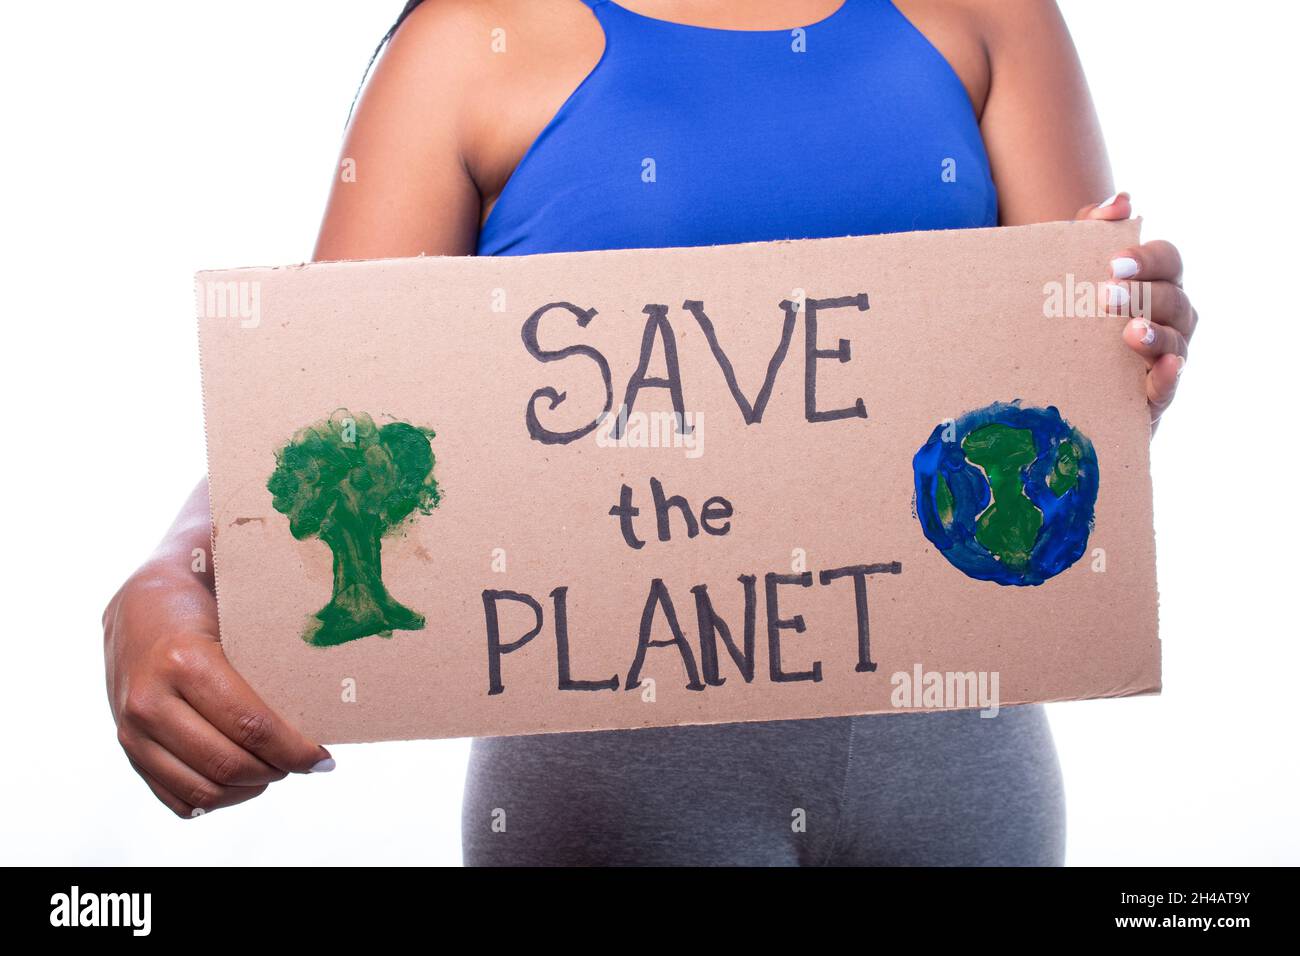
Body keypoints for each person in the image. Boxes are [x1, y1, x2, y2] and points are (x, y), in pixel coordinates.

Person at [103, 0, 1196, 865]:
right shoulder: (466, 44)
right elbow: (327, 413)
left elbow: (1072, 432)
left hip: (963, 767)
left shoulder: (988, 14)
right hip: (609, 792)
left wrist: (1134, 346)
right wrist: (173, 572)